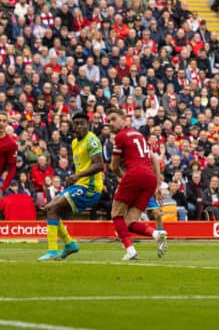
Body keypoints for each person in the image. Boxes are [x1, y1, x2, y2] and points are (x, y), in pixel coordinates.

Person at [38, 113, 104, 261]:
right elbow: (82, 166)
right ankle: (69, 244)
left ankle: (54, 251)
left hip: (90, 189)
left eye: (82, 123)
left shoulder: (92, 140)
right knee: (50, 208)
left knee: (53, 209)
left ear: (88, 124)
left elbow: (99, 165)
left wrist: (77, 176)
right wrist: (74, 178)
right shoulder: (74, 142)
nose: (79, 127)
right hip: (79, 185)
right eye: (76, 124)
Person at [107, 108, 167, 261]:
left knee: (116, 214)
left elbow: (113, 166)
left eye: (113, 119)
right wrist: (158, 184)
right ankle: (157, 233)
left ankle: (130, 250)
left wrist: (123, 178)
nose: (111, 124)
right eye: (108, 121)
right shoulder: (140, 135)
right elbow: (155, 159)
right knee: (130, 221)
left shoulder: (120, 137)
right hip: (150, 178)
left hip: (134, 174)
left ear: (123, 118)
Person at [0, 112, 18, 198]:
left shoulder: (11, 144)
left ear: (7, 123)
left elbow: (12, 168)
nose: (1, 123)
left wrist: (2, 187)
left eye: (4, 121)